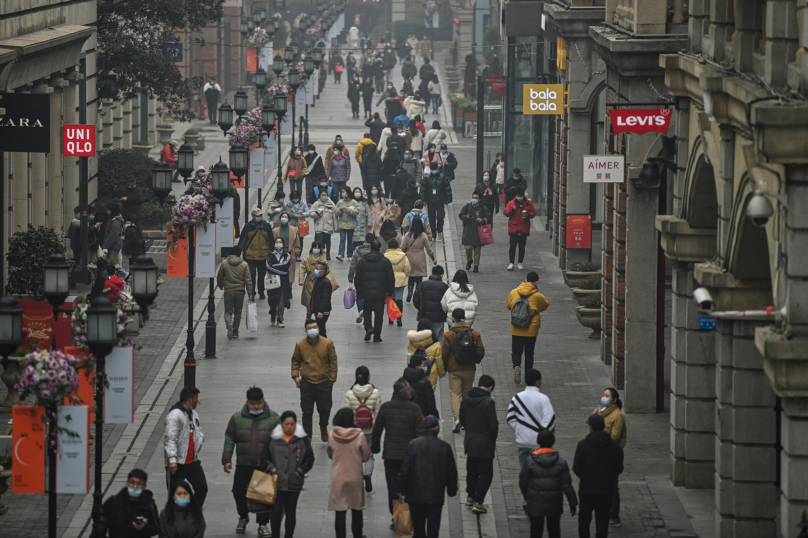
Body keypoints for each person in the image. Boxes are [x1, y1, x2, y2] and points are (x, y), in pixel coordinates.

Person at [222, 387, 280, 535]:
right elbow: (230, 438)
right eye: (253, 404)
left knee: (263, 495)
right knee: (238, 493)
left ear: (264, 401)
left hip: (264, 464)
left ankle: (262, 525)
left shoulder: (273, 418)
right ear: (247, 402)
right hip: (243, 463)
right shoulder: (237, 418)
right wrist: (227, 459)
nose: (256, 406)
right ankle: (243, 516)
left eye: (259, 403)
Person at [371, 379, 424, 521]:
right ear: (406, 392)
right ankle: (407, 516)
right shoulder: (415, 409)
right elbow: (419, 433)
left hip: (391, 455)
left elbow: (377, 429)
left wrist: (375, 447)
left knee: (393, 487)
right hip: (410, 456)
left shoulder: (386, 407)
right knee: (409, 486)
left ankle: (396, 517)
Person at [397, 415, 457, 538]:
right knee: (433, 525)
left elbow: (405, 468)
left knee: (418, 526)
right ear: (436, 428)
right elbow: (451, 471)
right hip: (436, 493)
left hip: (415, 493)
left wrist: (400, 488)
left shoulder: (413, 444)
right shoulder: (444, 447)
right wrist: (451, 489)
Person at [573, 414, 624, 538]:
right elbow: (619, 468)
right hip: (605, 490)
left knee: (584, 521)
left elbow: (576, 468)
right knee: (602, 522)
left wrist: (586, 476)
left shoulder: (583, 445)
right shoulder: (614, 446)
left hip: (587, 489)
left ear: (590, 427)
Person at [520, 430, 578, 538]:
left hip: (535, 502)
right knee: (554, 529)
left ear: (538, 442)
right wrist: (572, 502)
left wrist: (527, 496)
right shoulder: (560, 462)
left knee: (536, 531)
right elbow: (567, 484)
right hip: (554, 502)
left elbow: (523, 481)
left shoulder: (530, 461)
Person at [266, 410, 315, 538]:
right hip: (277, 481)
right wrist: (272, 469)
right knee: (276, 511)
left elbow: (309, 458)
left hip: (294, 482)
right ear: (281, 424)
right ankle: (275, 534)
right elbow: (265, 456)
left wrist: (300, 471)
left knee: (290, 511)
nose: (289, 427)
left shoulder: (302, 439)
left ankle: (289, 535)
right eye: (286, 424)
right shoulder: (273, 438)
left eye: (292, 424)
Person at [291, 318, 338, 441]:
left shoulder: (327, 343)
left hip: (324, 382)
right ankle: (308, 436)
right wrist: (296, 376)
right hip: (307, 383)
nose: (312, 330)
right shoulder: (300, 345)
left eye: (314, 327)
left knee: (325, 409)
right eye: (310, 328)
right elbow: (295, 360)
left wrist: (331, 380)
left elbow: (333, 361)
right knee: (307, 411)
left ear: (319, 328)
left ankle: (323, 426)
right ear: (305, 330)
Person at [327, 408, 371, 538]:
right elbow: (366, 456)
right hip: (355, 476)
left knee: (340, 510)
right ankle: (358, 535)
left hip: (338, 477)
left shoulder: (332, 435)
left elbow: (330, 454)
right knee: (356, 509)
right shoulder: (359, 435)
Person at [459, 375, 498, 514]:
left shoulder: (466, 398)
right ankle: (478, 501)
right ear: (490, 388)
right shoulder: (488, 402)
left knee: (472, 471)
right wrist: (492, 438)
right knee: (486, 474)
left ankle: (470, 496)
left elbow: (462, 419)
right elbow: (493, 425)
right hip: (484, 443)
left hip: (470, 442)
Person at [164, 386, 208, 506]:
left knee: (202, 488)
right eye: (196, 398)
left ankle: (193, 513)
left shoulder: (193, 414)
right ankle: (174, 519)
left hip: (192, 462)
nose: (197, 401)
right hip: (177, 464)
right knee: (175, 495)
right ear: (189, 400)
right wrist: (172, 459)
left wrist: (200, 440)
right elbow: (170, 438)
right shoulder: (175, 416)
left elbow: (198, 431)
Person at [445, 308, 486, 430]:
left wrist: (446, 365)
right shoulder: (475, 333)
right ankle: (467, 419)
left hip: (454, 368)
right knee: (467, 393)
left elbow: (445, 352)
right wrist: (475, 360)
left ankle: (457, 419)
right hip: (469, 368)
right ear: (465, 318)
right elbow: (480, 350)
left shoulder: (449, 334)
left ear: (453, 319)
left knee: (455, 393)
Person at [343, 366, 382, 492]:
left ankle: (356, 479)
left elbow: (347, 412)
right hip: (370, 430)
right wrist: (376, 427)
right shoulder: (375, 392)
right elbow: (378, 412)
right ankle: (368, 474)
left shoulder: (350, 393)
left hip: (355, 431)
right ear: (368, 377)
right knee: (369, 455)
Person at [90, 468, 159, 538]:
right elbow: (99, 527)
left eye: (139, 484)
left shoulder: (149, 505)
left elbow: (156, 528)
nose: (135, 487)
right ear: (127, 482)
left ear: (144, 486)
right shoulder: (113, 502)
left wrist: (144, 528)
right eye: (132, 482)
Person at [508, 369, 556, 469]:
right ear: (537, 382)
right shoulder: (543, 399)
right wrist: (543, 434)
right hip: (538, 444)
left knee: (524, 471)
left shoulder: (517, 398)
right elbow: (550, 420)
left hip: (523, 442)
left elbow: (510, 418)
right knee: (539, 471)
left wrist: (520, 429)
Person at [506, 272, 550, 382]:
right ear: (536, 282)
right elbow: (545, 305)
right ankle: (528, 375)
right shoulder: (537, 296)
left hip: (516, 327)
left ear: (525, 280)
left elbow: (508, 305)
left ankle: (517, 366)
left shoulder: (514, 292)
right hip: (531, 328)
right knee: (529, 352)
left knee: (516, 351)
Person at [594, 388, 626, 526]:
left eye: (607, 396)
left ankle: (614, 516)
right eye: (603, 395)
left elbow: (615, 438)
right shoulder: (602, 412)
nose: (604, 397)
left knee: (612, 486)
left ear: (614, 400)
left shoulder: (617, 415)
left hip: (612, 454)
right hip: (602, 453)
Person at [355, 240, 395, 342]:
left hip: (366, 292)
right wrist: (390, 292)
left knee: (367, 311)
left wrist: (359, 292)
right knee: (379, 314)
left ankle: (368, 328)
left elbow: (357, 278)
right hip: (381, 293)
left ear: (370, 248)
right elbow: (391, 278)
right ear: (380, 248)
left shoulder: (363, 261)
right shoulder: (385, 261)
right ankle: (377, 336)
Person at [216, 245, 253, 339]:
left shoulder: (224, 263)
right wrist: (250, 293)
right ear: (239, 253)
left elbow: (220, 276)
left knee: (228, 312)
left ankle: (229, 324)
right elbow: (248, 279)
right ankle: (235, 331)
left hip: (228, 290)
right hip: (240, 291)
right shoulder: (244, 264)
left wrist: (220, 285)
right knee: (238, 312)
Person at [239, 208, 274, 300]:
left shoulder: (267, 226)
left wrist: (271, 253)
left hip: (263, 255)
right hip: (250, 256)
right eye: (258, 216)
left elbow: (271, 240)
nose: (260, 217)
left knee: (262, 275)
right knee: (251, 275)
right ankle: (252, 293)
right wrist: (239, 252)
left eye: (260, 215)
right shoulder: (247, 227)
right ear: (253, 217)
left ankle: (261, 290)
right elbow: (242, 241)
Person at [401, 216, 435, 302]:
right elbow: (428, 248)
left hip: (410, 257)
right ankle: (418, 293)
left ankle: (410, 291)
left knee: (411, 277)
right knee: (419, 277)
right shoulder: (423, 235)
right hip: (420, 256)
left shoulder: (408, 235)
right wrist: (433, 258)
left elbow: (402, 248)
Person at [413, 265, 449, 341]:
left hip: (424, 317)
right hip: (439, 317)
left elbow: (416, 299)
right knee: (438, 338)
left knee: (425, 338)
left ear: (432, 273)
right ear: (442, 275)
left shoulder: (423, 285)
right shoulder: (444, 287)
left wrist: (421, 308)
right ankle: (437, 352)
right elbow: (447, 303)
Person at [406, 319, 445, 390]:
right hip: (430, 373)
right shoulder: (436, 344)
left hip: (415, 371)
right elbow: (439, 361)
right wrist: (441, 373)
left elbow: (410, 356)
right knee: (428, 393)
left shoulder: (412, 342)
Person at [459, 191, 492, 273]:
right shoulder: (467, 207)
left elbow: (488, 218)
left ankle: (476, 265)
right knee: (468, 248)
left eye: (476, 198)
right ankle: (469, 260)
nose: (474, 199)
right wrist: (466, 217)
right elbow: (461, 215)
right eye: (473, 197)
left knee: (477, 249)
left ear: (479, 199)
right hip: (468, 231)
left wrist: (482, 220)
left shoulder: (483, 208)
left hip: (478, 232)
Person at [504, 186, 536, 270]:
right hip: (513, 228)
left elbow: (533, 213)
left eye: (520, 195)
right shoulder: (511, 203)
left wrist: (528, 215)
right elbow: (506, 213)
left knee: (522, 247)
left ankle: (520, 262)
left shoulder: (528, 203)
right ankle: (511, 263)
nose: (519, 197)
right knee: (512, 246)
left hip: (523, 228)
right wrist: (513, 210)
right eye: (518, 195)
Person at [272, 210, 302, 296]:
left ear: (288, 219)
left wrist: (296, 251)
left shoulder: (294, 230)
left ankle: (289, 288)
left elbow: (297, 243)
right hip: (278, 252)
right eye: (282, 217)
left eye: (286, 217)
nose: (284, 219)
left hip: (289, 252)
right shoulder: (275, 230)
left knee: (290, 272)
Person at [403, 351, 439, 417]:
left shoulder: (402, 381)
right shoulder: (425, 383)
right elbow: (430, 404)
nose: (426, 367)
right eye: (424, 365)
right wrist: (436, 417)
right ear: (417, 367)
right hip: (421, 416)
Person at [384, 238, 411, 326]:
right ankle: (399, 318)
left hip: (389, 279)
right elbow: (407, 268)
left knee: (391, 299)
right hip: (400, 278)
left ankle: (391, 318)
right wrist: (404, 275)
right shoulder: (403, 255)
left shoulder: (386, 256)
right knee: (399, 298)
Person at [266, 237, 292, 328]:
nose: (278, 243)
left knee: (281, 300)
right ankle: (273, 313)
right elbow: (268, 267)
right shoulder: (269, 255)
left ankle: (280, 319)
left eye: (280, 242)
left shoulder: (287, 255)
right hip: (272, 281)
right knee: (272, 300)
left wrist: (274, 267)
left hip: (283, 282)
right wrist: (283, 272)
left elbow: (285, 265)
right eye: (276, 242)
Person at [424, 161, 452, 242]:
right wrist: (423, 200)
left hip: (440, 201)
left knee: (440, 217)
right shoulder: (427, 178)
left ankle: (439, 230)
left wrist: (448, 199)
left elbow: (447, 189)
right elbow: (423, 189)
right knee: (431, 219)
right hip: (430, 201)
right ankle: (433, 234)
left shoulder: (443, 178)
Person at [298, 241, 327, 315]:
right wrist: (301, 280)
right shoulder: (307, 259)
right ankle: (308, 314)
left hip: (320, 282)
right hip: (309, 282)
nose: (316, 249)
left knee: (318, 299)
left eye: (318, 248)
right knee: (308, 299)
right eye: (315, 247)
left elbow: (327, 270)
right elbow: (302, 269)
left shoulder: (323, 260)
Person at [310, 187, 338, 260]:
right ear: (319, 196)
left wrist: (336, 228)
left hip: (328, 226)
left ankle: (328, 253)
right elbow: (311, 214)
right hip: (319, 226)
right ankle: (319, 253)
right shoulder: (316, 204)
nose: (324, 196)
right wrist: (318, 213)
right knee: (319, 241)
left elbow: (334, 216)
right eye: (322, 195)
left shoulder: (331, 204)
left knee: (328, 240)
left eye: (325, 195)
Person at [335, 186, 361, 261]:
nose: (343, 193)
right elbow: (336, 213)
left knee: (350, 240)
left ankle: (350, 254)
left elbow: (356, 212)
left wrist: (347, 209)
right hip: (342, 224)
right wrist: (340, 210)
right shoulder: (340, 202)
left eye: (344, 192)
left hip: (351, 224)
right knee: (342, 239)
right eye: (342, 192)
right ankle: (341, 254)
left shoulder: (354, 202)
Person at [101, 202, 126, 276]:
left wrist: (106, 246)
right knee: (113, 263)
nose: (107, 211)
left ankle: (125, 275)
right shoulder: (113, 219)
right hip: (113, 245)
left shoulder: (115, 222)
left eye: (108, 209)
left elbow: (112, 236)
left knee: (111, 264)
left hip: (114, 246)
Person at [309, 261, 333, 337]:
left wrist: (321, 311)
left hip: (323, 311)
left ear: (323, 271)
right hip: (318, 309)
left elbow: (326, 298)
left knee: (320, 331)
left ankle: (326, 346)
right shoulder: (319, 280)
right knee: (321, 331)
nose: (315, 270)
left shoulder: (325, 282)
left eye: (317, 269)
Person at [326, 135, 352, 200]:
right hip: (334, 179)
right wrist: (326, 177)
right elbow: (329, 168)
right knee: (335, 194)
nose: (335, 151)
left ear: (340, 151)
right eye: (334, 150)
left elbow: (348, 167)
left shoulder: (344, 158)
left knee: (342, 194)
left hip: (342, 179)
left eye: (336, 150)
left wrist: (347, 176)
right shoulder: (332, 158)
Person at [351, 188, 371, 252]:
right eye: (356, 192)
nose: (357, 193)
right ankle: (354, 253)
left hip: (362, 223)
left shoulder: (364, 202)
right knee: (354, 239)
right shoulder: (351, 202)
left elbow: (368, 212)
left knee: (362, 239)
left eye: (359, 192)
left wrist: (370, 223)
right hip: (353, 223)